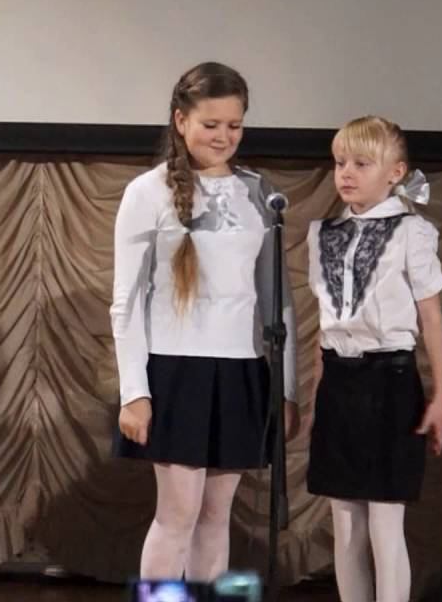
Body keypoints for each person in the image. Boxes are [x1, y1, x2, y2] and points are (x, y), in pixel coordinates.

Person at [112, 61, 297, 582]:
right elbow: (126, 300)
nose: (223, 136)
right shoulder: (147, 192)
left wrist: (287, 389)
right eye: (210, 124)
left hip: (240, 370)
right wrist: (134, 391)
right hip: (176, 370)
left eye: (234, 125)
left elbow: (278, 300)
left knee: (217, 517)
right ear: (180, 120)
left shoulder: (259, 192)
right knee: (177, 515)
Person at [305, 115, 442, 602]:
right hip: (339, 382)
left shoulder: (412, 231)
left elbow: (431, 316)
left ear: (395, 172)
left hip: (389, 382)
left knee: (386, 524)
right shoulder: (322, 233)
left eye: (362, 163)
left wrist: (441, 395)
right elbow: (326, 324)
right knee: (346, 525)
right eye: (340, 162)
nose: (346, 172)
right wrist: (317, 395)